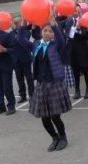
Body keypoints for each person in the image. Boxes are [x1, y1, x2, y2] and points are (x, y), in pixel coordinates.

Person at [30, 21, 72, 151]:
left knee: (55, 116)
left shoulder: (56, 45)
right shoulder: (36, 44)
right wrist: (23, 24)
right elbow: (20, 41)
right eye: (45, 31)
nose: (47, 33)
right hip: (41, 84)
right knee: (44, 117)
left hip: (54, 83)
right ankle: (54, 138)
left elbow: (61, 38)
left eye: (50, 31)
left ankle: (63, 138)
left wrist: (54, 25)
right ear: (41, 32)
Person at [10, 16, 35, 104]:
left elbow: (21, 41)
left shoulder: (27, 32)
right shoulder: (11, 34)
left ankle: (32, 95)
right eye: (15, 23)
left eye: (18, 22)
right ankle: (23, 95)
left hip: (25, 58)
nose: (17, 24)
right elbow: (11, 44)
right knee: (19, 78)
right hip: (16, 59)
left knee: (29, 78)